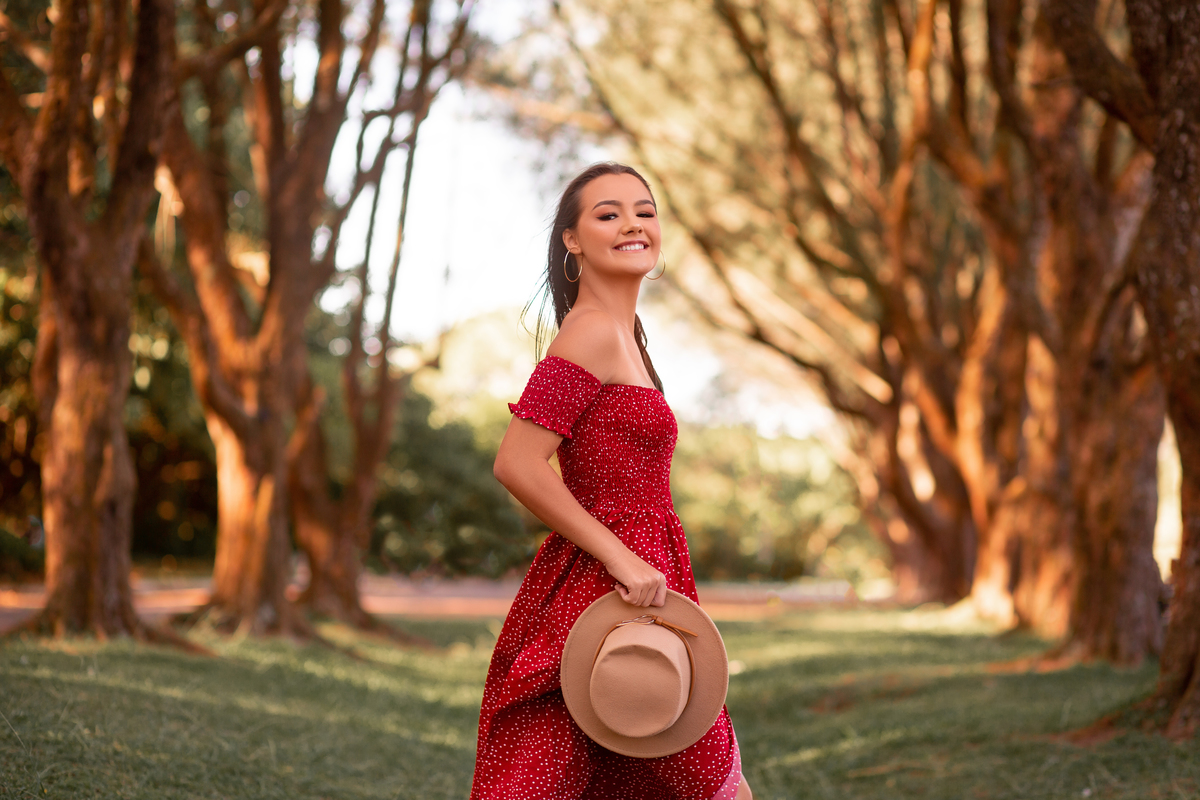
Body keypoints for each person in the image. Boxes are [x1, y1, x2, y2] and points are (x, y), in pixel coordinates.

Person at [470, 163, 752, 800]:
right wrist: (623, 559)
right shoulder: (592, 332)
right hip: (605, 585)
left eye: (645, 211)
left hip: (645, 579)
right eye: (608, 213)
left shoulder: (624, 337)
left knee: (678, 768)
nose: (633, 223)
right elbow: (517, 461)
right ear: (572, 240)